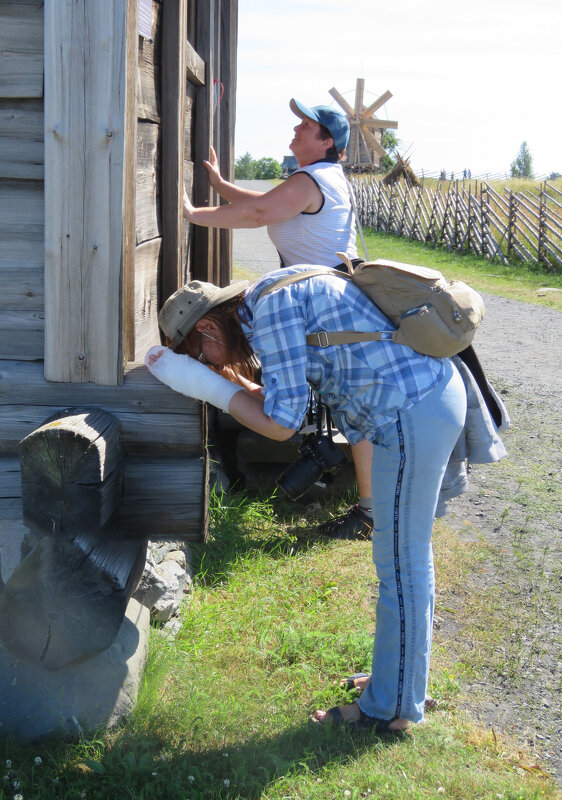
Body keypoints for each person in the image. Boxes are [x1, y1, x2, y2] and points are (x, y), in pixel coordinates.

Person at [145, 265, 467, 732]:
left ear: (208, 327)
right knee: (402, 561)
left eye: (204, 358)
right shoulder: (272, 294)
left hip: (411, 414)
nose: (215, 367)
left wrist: (212, 388)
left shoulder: (271, 310)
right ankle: (398, 683)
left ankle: (388, 710)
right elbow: (285, 398)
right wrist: (225, 382)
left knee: (403, 565)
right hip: (419, 403)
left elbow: (281, 423)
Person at [182, 98, 373, 539]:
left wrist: (193, 215)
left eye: (306, 126)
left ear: (327, 141)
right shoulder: (320, 179)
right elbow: (264, 203)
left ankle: (368, 512)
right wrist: (222, 185)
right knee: (351, 405)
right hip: (325, 306)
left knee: (352, 407)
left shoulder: (311, 179)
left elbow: (259, 213)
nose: (296, 129)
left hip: (317, 310)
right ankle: (368, 508)